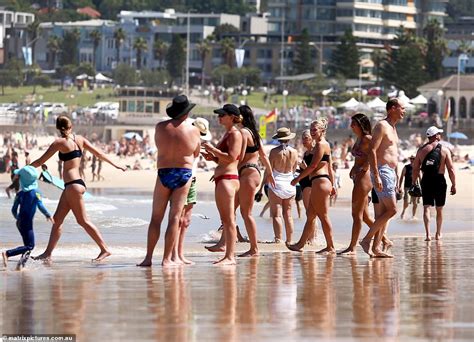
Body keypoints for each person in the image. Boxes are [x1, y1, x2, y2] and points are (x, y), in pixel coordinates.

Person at [30, 115, 126, 262]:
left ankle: (104, 249)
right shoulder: (79, 139)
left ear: (57, 127)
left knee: (83, 221)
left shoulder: (59, 142)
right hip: (75, 184)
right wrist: (116, 164)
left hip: (72, 185)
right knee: (57, 220)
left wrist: (24, 169)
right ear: (71, 126)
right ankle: (48, 254)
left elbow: (40, 161)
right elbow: (99, 153)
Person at [138, 95, 201, 267]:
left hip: (164, 172)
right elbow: (196, 153)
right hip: (184, 173)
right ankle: (166, 259)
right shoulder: (194, 131)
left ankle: (148, 258)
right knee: (174, 218)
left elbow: (159, 146)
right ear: (186, 113)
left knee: (156, 218)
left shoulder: (160, 127)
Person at [205, 105, 274, 257]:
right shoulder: (254, 134)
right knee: (232, 211)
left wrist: (223, 167)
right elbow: (263, 155)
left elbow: (239, 156)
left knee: (245, 213)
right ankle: (223, 244)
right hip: (252, 172)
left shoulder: (242, 132)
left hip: (246, 172)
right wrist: (269, 173)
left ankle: (254, 249)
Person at [338, 113, 391, 255]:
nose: (351, 126)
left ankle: (352, 247)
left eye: (353, 124)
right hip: (358, 176)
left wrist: (365, 166)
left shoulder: (367, 138)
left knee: (356, 215)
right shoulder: (359, 138)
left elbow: (374, 153)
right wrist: (354, 167)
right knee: (365, 216)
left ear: (361, 125)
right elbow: (360, 157)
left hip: (364, 178)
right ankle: (385, 240)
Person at [359, 98, 404, 258]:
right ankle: (366, 240)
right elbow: (372, 150)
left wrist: (397, 177)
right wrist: (376, 175)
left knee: (381, 214)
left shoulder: (393, 127)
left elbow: (394, 153)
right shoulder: (382, 126)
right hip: (382, 172)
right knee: (392, 210)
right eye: (401, 108)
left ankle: (376, 248)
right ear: (392, 108)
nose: (403, 111)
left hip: (390, 173)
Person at [288, 118, 337, 254]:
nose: (312, 132)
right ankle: (300, 244)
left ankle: (330, 246)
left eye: (314, 129)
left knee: (323, 216)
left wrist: (297, 178)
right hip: (320, 181)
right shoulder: (318, 146)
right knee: (310, 214)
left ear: (322, 130)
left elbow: (314, 166)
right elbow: (328, 165)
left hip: (320, 181)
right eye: (311, 129)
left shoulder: (322, 144)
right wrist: (333, 185)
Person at [202, 104, 243, 265]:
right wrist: (212, 157)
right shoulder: (228, 133)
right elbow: (223, 158)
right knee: (225, 219)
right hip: (224, 178)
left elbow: (232, 157)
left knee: (229, 220)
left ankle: (230, 256)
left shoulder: (235, 134)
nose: (219, 117)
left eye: (222, 115)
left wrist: (213, 150)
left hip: (228, 178)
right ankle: (227, 254)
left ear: (232, 117)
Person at [172, 117, 212, 265]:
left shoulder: (195, 142)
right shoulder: (185, 140)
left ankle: (179, 253)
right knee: (179, 218)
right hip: (182, 178)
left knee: (186, 220)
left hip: (192, 179)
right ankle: (174, 253)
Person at [2, 166, 54, 269]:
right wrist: (48, 215)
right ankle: (7, 254)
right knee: (30, 246)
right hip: (27, 223)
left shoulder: (20, 194)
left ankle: (20, 266)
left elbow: (13, 210)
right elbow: (40, 205)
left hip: (20, 222)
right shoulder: (36, 192)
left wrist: (18, 218)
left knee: (27, 246)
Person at [412, 126, 456, 241]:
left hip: (426, 180)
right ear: (435, 136)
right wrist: (453, 184)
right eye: (439, 134)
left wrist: (413, 182)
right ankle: (438, 233)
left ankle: (427, 235)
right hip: (439, 180)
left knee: (426, 207)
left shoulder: (421, 150)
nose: (440, 135)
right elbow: (451, 169)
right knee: (439, 209)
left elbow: (415, 168)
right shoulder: (445, 150)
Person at [267, 127, 298, 244]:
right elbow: (294, 169)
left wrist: (261, 187)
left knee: (277, 215)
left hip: (277, 183)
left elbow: (269, 169)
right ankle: (289, 240)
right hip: (290, 183)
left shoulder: (274, 152)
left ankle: (278, 239)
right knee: (288, 215)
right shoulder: (295, 152)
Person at [297, 129, 318, 243]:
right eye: (303, 138)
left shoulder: (315, 152)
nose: (303, 140)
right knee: (310, 212)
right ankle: (312, 236)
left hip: (310, 184)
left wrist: (304, 168)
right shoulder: (306, 153)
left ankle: (312, 238)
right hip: (304, 183)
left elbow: (315, 170)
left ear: (311, 139)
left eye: (306, 138)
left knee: (310, 212)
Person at [399, 155, 420, 220]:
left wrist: (422, 186)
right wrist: (399, 186)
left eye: (413, 159)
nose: (412, 160)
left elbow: (420, 177)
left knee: (415, 202)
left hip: (415, 187)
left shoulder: (417, 167)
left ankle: (413, 216)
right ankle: (403, 213)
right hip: (407, 187)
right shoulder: (406, 167)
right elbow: (402, 177)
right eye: (411, 159)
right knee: (406, 201)